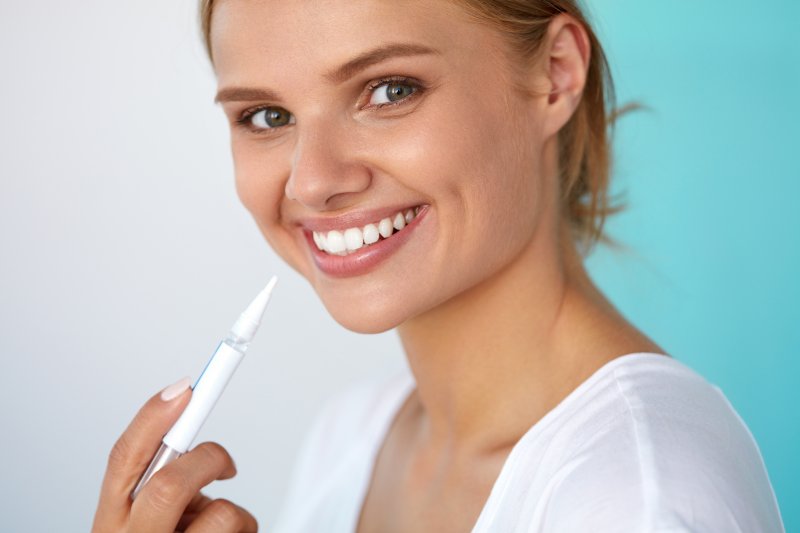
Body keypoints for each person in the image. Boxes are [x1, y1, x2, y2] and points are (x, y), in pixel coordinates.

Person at [91, 0, 785, 531]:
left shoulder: (637, 496)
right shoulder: (350, 438)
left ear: (554, 76)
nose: (311, 182)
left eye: (389, 90)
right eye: (268, 116)